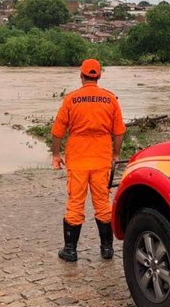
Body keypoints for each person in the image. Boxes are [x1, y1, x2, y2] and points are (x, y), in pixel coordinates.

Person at [51, 59, 126, 262]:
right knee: (103, 202)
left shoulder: (71, 99)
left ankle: (70, 250)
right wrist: (116, 155)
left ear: (81, 75)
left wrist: (56, 155)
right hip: (101, 158)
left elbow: (57, 132)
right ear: (99, 76)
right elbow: (119, 132)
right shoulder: (110, 99)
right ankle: (107, 249)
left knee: (75, 203)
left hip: (77, 159)